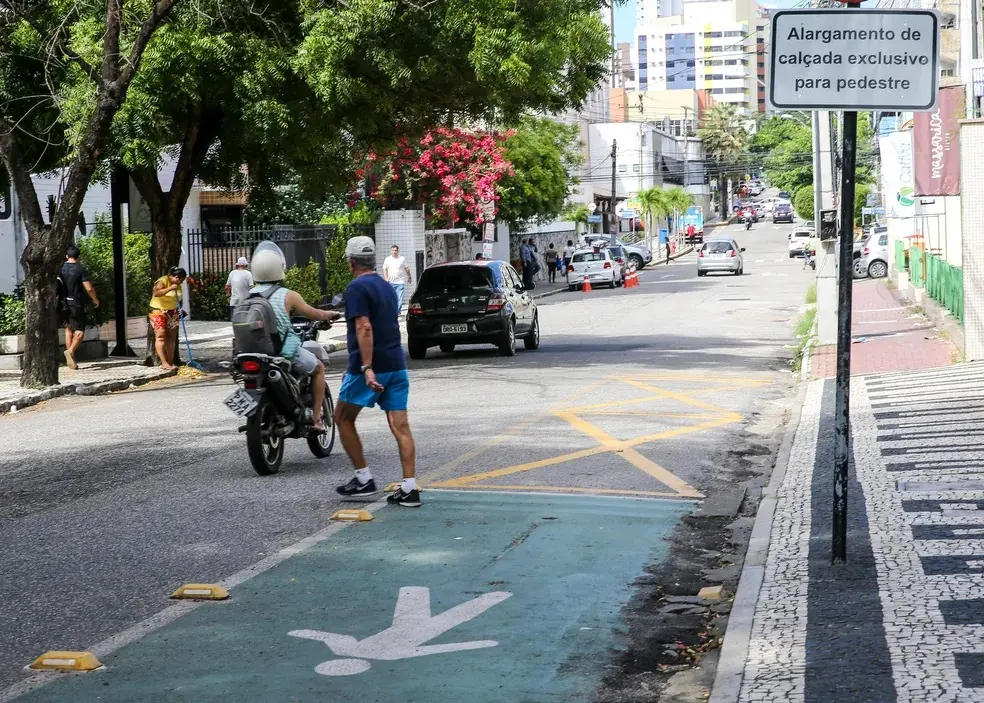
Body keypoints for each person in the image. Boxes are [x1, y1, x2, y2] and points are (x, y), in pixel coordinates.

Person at [334, 236, 420, 507]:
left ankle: (363, 479)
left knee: (342, 418)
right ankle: (409, 488)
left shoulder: (357, 288)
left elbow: (364, 327)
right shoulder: (385, 286)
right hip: (396, 363)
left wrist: (367, 368)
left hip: (369, 367)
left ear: (351, 262)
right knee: (400, 427)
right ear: (372, 260)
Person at [248, 241, 340, 431]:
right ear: (280, 267)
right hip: (281, 353)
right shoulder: (287, 295)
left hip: (252, 353)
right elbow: (314, 314)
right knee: (319, 368)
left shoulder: (248, 296)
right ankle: (316, 419)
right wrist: (329, 315)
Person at [59, 245, 100, 370]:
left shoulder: (60, 268)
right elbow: (88, 288)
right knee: (80, 331)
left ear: (66, 256)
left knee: (68, 329)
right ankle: (70, 351)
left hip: (63, 303)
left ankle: (72, 361)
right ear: (78, 257)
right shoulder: (80, 269)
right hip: (76, 303)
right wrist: (95, 299)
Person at [149, 267, 187, 370]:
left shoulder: (178, 285)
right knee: (161, 335)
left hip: (173, 311)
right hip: (158, 310)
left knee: (171, 337)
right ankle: (164, 362)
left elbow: (179, 298)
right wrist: (170, 288)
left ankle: (171, 362)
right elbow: (156, 293)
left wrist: (180, 308)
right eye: (181, 280)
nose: (181, 283)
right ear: (176, 277)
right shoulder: (162, 281)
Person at [382, 245, 412, 314]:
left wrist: (409, 277)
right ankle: (392, 310)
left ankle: (397, 312)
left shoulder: (402, 258)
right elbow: (384, 269)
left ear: (398, 251)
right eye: (393, 250)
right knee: (391, 298)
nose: (394, 252)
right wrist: (386, 278)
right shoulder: (388, 259)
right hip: (390, 282)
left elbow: (407, 268)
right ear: (391, 251)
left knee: (399, 299)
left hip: (400, 282)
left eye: (395, 250)